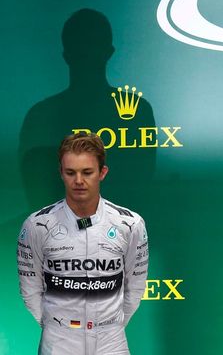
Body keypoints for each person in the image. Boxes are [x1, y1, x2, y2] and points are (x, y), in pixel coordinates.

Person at [17, 132, 149, 354]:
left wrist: (109, 326)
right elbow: (30, 290)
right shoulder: (37, 225)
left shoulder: (130, 224)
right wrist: (59, 327)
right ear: (61, 173)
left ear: (102, 173)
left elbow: (135, 287)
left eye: (87, 172)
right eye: (71, 172)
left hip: (111, 341)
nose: (79, 181)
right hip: (59, 341)